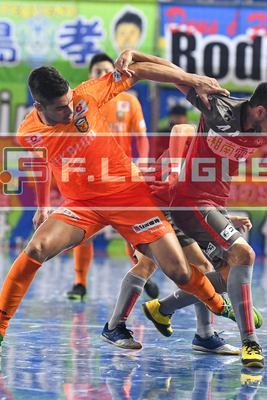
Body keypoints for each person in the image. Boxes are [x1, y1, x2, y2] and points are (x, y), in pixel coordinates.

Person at [0, 49, 236, 357]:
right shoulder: (28, 134)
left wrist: (193, 80)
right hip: (82, 204)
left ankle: (218, 307)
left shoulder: (87, 94)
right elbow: (42, 163)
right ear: (38, 107)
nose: (70, 110)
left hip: (130, 196)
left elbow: (139, 69)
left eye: (70, 102)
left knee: (178, 270)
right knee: (36, 248)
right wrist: (43, 206)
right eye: (60, 108)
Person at [111, 75, 267, 367]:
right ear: (260, 111)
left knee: (220, 275)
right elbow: (180, 127)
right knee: (178, 262)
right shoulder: (212, 120)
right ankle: (119, 325)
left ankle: (176, 316)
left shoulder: (256, 131)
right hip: (166, 202)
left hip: (200, 205)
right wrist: (141, 66)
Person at [100, 123, 261, 353]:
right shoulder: (208, 136)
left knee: (195, 266)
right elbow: (178, 130)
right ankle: (118, 325)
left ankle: (200, 333)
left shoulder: (223, 159)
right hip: (151, 201)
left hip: (173, 209)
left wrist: (227, 219)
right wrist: (175, 171)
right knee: (157, 264)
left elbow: (207, 198)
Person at [66, 52, 158, 301]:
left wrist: (143, 162)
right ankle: (80, 283)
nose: (103, 75)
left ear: (115, 73)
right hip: (90, 177)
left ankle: (141, 273)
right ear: (90, 76)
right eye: (98, 72)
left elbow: (142, 138)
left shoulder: (130, 101)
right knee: (84, 231)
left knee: (133, 231)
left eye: (107, 71)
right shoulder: (81, 102)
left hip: (122, 177)